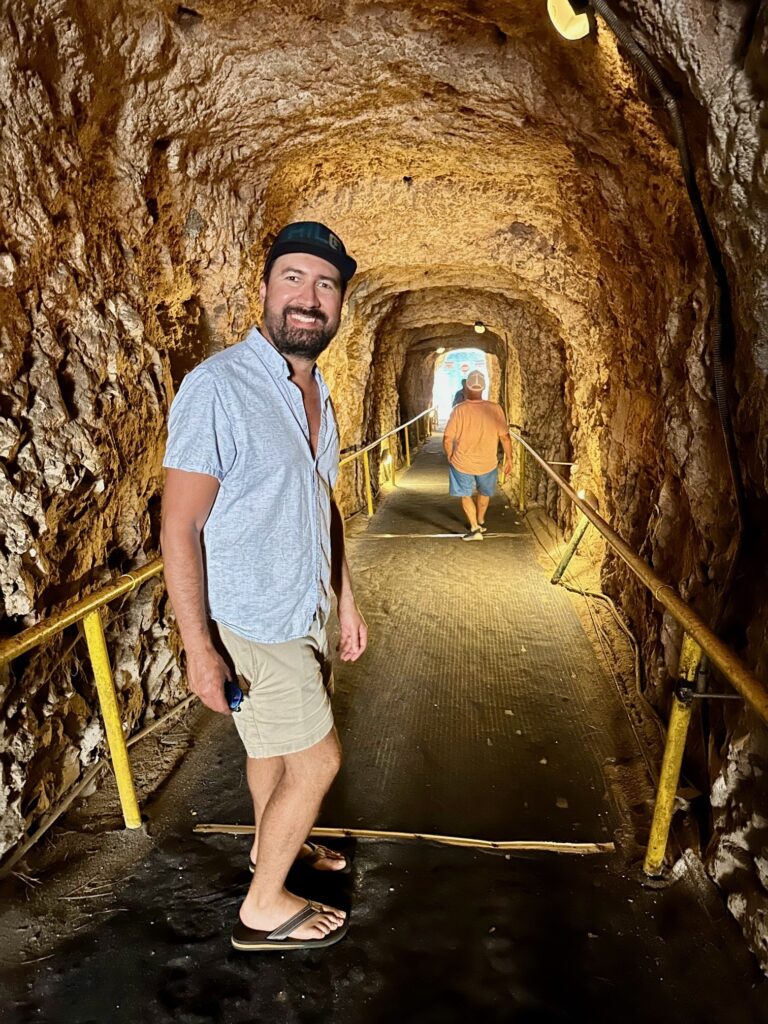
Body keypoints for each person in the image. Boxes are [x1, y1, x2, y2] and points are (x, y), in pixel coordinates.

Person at [161, 221, 368, 952]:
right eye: (293, 279)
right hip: (254, 618)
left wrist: (345, 597)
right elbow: (179, 527)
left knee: (273, 751)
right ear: (265, 291)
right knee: (319, 759)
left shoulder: (318, 394)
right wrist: (197, 648)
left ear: (339, 304)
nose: (309, 298)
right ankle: (263, 905)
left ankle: (274, 846)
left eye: (325, 285)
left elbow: (323, 504)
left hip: (305, 604)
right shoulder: (218, 387)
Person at [443, 370, 512, 540]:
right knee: (485, 492)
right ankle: (480, 520)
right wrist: (510, 458)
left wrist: (449, 455)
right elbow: (505, 437)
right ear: (484, 387)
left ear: (466, 388)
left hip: (462, 462)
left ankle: (474, 528)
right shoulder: (495, 409)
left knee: (465, 494)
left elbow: (447, 438)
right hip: (488, 461)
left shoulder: (458, 410)